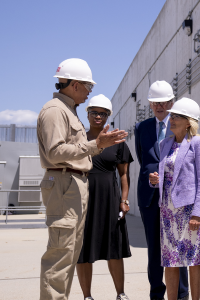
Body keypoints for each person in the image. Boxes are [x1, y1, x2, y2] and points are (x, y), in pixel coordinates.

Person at [38, 58, 128, 300]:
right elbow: (55, 152)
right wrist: (95, 145)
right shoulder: (56, 111)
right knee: (60, 257)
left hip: (72, 185)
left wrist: (96, 146)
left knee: (68, 255)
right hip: (64, 184)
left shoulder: (68, 111)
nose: (90, 92)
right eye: (89, 86)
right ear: (75, 84)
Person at [149, 97, 200, 300]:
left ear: (189, 121)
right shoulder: (166, 144)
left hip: (189, 212)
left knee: (193, 260)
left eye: (177, 116)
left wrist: (198, 214)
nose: (171, 119)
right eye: (172, 116)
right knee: (170, 261)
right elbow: (169, 176)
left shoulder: (198, 143)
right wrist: (154, 180)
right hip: (167, 212)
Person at [135, 80, 189, 300]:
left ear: (172, 102)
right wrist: (152, 176)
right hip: (149, 198)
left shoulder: (181, 125)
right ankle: (156, 294)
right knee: (154, 250)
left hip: (175, 198)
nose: (159, 106)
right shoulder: (142, 127)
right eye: (155, 102)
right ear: (150, 104)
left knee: (177, 248)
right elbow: (143, 160)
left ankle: (182, 294)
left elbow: (186, 159)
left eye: (164, 102)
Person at [76, 95, 133, 300]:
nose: (98, 116)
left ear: (108, 116)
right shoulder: (79, 138)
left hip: (110, 199)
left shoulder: (117, 141)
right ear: (88, 114)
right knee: (83, 251)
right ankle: (87, 296)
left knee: (114, 248)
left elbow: (124, 174)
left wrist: (124, 200)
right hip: (83, 199)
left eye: (102, 113)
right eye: (94, 113)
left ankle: (121, 293)